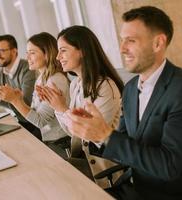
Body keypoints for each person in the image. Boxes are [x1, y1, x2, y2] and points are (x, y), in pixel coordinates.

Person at [66, 6, 182, 200]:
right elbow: (125, 145)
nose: (122, 48)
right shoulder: (132, 88)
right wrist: (97, 133)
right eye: (122, 40)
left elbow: (169, 166)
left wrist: (106, 135)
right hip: (135, 187)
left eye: (131, 41)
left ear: (158, 43)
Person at [37, 25, 124, 188]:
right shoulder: (76, 84)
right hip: (82, 159)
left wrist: (62, 108)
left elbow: (89, 135)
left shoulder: (105, 86)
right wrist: (57, 107)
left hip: (101, 166)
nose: (57, 57)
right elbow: (72, 133)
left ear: (82, 51)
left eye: (63, 50)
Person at [0, 32, 70, 157]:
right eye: (27, 53)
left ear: (47, 54)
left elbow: (40, 121)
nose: (27, 58)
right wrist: (18, 99)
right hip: (49, 141)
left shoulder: (55, 80)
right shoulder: (41, 78)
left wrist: (15, 101)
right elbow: (34, 113)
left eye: (32, 53)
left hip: (61, 144)